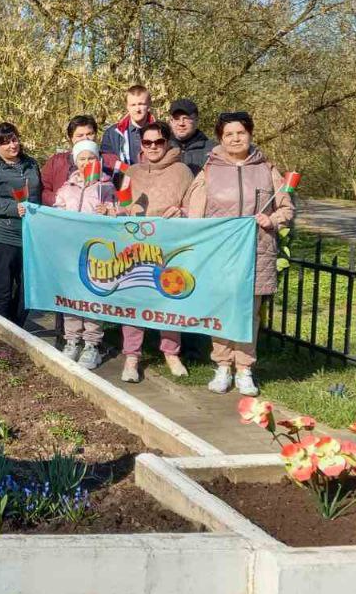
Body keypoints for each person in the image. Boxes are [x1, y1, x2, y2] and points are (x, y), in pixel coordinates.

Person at [184, 111, 295, 396]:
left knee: (249, 313)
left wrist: (273, 219)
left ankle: (245, 369)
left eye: (240, 133)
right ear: (220, 138)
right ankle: (223, 365)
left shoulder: (267, 169)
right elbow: (194, 215)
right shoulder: (209, 170)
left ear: (250, 134)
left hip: (257, 250)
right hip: (221, 253)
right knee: (221, 309)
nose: (235, 138)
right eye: (229, 134)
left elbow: (286, 208)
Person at [118, 121, 194, 383]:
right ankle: (132, 355)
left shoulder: (182, 172)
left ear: (167, 143)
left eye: (158, 142)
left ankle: (171, 353)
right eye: (147, 142)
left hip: (169, 244)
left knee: (170, 296)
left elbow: (193, 207)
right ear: (141, 145)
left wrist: (182, 212)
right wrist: (120, 210)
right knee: (133, 297)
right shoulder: (132, 172)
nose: (153, 147)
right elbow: (122, 204)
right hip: (135, 245)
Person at [53, 139, 117, 369]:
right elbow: (56, 214)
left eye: (91, 158)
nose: (87, 162)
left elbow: (118, 213)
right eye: (82, 158)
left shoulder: (106, 187)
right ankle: (72, 340)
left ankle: (92, 344)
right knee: (72, 296)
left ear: (98, 160)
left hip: (96, 252)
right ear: (75, 161)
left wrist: (109, 211)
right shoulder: (66, 188)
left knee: (92, 296)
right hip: (71, 250)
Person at [0, 122, 42, 327]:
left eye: (14, 139)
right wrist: (13, 208)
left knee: (28, 289)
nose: (13, 145)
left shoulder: (31, 164)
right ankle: (1, 331)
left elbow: (40, 193)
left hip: (30, 235)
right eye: (5, 142)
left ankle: (17, 327)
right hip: (2, 235)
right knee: (3, 288)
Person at [42, 114, 98, 206]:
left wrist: (110, 209)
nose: (85, 138)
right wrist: (59, 201)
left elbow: (121, 189)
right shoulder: (56, 161)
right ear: (71, 138)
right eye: (80, 135)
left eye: (89, 134)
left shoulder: (109, 161)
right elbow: (44, 189)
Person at [100, 84, 155, 176]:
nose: (137, 109)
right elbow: (107, 164)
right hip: (123, 182)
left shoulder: (162, 132)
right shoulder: (112, 134)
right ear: (127, 106)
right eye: (133, 105)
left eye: (141, 104)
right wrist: (127, 172)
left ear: (149, 105)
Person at [167, 98, 216, 175]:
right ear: (170, 121)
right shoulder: (160, 148)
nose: (181, 123)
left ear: (196, 121)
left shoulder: (213, 150)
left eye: (186, 118)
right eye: (176, 118)